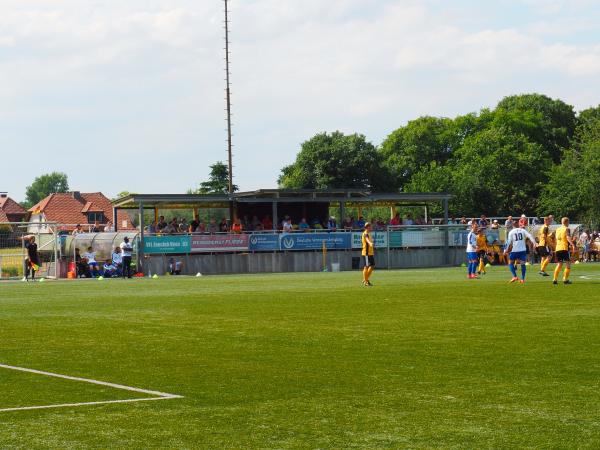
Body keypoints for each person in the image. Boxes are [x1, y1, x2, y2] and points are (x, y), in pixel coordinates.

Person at [504, 218, 537, 283]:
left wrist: (505, 249)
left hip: (515, 250)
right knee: (522, 264)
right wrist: (534, 243)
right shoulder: (522, 230)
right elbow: (529, 235)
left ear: (513, 225)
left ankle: (514, 276)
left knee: (511, 263)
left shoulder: (511, 232)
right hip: (522, 250)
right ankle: (522, 279)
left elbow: (508, 241)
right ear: (518, 224)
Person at [553, 217, 574, 285]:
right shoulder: (566, 229)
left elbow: (555, 238)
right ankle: (565, 279)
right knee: (568, 264)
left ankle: (555, 279)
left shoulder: (557, 229)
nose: (569, 224)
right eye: (568, 222)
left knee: (559, 264)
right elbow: (567, 237)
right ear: (566, 222)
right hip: (564, 248)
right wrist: (572, 244)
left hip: (558, 248)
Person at [361, 222, 375, 286]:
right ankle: (366, 281)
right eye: (370, 226)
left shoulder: (369, 233)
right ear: (367, 227)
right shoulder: (365, 233)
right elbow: (367, 240)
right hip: (366, 253)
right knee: (366, 266)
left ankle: (365, 279)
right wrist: (370, 243)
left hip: (370, 253)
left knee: (372, 266)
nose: (371, 227)